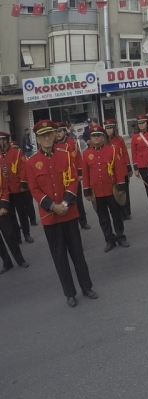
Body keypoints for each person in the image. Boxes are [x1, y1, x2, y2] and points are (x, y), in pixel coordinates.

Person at [25, 120, 94, 306]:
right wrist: (52, 206)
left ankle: (87, 287)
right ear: (37, 139)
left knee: (77, 252)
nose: (47, 138)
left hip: (69, 212)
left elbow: (72, 181)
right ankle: (69, 293)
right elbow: (35, 189)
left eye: (50, 134)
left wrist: (64, 203)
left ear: (55, 135)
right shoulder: (31, 162)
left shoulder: (65, 155)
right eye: (42, 135)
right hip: (50, 217)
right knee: (59, 256)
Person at [81, 128, 129, 252]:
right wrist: (86, 191)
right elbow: (85, 174)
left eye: (98, 136)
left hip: (112, 190)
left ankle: (120, 237)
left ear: (103, 138)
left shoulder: (112, 150)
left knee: (116, 215)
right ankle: (109, 240)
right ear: (90, 139)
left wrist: (121, 187)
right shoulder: (86, 154)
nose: (96, 138)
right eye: (94, 136)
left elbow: (118, 169)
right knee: (103, 218)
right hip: (97, 192)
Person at [0, 130, 36, 243]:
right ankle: (17, 236)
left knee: (22, 212)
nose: (1, 143)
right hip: (6, 191)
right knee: (11, 215)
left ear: (6, 141)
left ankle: (26, 234)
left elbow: (22, 169)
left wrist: (23, 184)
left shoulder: (16, 152)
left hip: (17, 188)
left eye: (2, 140)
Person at [55, 123, 90, 230]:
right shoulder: (54, 145)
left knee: (78, 200)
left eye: (60, 131)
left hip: (73, 176)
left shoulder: (72, 142)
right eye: (56, 132)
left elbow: (78, 158)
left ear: (65, 131)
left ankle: (83, 221)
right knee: (64, 200)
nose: (58, 134)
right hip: (61, 178)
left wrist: (80, 174)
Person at [103, 119, 132, 219]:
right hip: (111, 172)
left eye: (111, 128)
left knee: (125, 191)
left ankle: (127, 212)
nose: (109, 130)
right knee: (115, 193)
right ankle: (119, 213)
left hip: (122, 169)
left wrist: (129, 168)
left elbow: (125, 153)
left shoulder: (120, 139)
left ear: (114, 128)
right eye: (107, 128)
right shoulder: (104, 141)